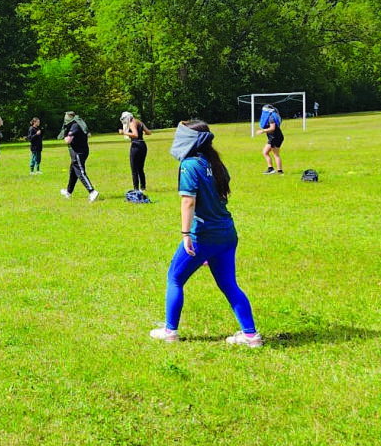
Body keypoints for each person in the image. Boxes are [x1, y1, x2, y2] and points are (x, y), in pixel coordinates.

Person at [151, 120, 261, 347]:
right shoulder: (216, 163)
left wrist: (186, 234)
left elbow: (188, 202)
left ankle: (170, 331)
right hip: (227, 234)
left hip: (204, 235)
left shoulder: (189, 165)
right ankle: (251, 336)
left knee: (174, 278)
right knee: (230, 284)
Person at [58, 111, 98, 202]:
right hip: (80, 151)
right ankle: (68, 192)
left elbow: (68, 140)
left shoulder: (75, 126)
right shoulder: (78, 124)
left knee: (80, 172)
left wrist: (65, 136)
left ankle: (92, 191)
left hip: (78, 153)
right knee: (73, 172)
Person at [118, 111, 152, 191]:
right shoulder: (139, 122)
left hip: (136, 146)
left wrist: (124, 132)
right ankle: (143, 187)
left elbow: (135, 135)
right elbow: (148, 132)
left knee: (134, 168)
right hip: (143, 145)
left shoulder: (132, 123)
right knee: (140, 168)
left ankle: (136, 189)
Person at [257, 104, 284, 175]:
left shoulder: (271, 117)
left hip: (275, 138)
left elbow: (272, 128)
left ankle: (280, 171)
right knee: (265, 152)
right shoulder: (272, 116)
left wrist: (262, 131)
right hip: (274, 137)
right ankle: (270, 169)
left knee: (276, 154)